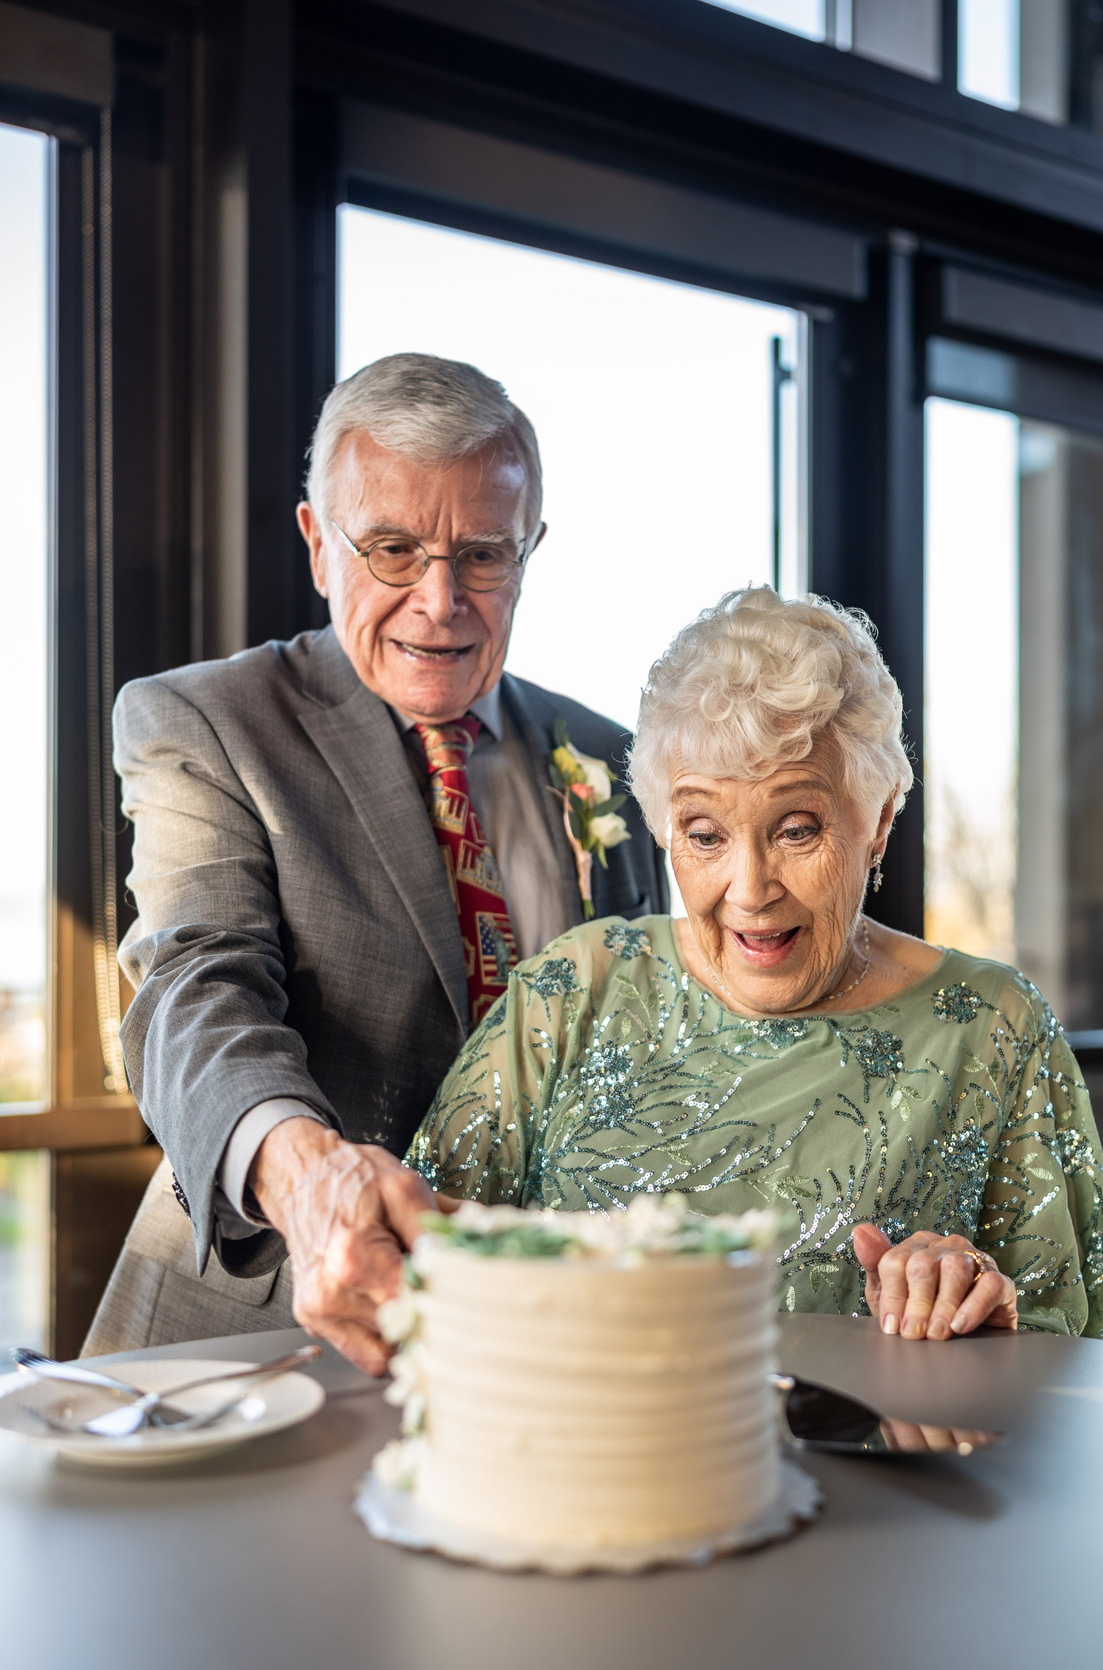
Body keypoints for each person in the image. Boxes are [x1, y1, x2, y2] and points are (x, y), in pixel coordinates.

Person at [84, 353, 668, 1373]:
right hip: (262, 1339)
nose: (439, 600)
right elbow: (193, 985)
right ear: (320, 545)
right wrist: (303, 1178)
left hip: (536, 1351)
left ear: (529, 552)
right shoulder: (206, 722)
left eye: (483, 554)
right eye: (393, 549)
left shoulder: (614, 760)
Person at [403, 586, 1103, 1341]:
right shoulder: (573, 989)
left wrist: (979, 1310)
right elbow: (414, 1259)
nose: (750, 891)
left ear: (877, 820)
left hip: (876, 1461)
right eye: (706, 835)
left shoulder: (991, 1026)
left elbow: (1080, 1350)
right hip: (589, 1446)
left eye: (796, 829)